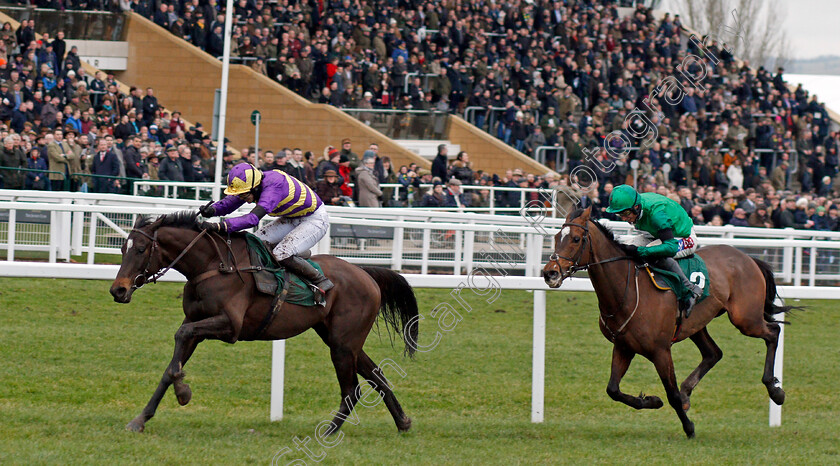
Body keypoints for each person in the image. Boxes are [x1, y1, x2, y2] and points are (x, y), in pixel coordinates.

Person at [198, 163, 333, 302]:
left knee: (281, 253)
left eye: (244, 194)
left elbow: (252, 219)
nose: (242, 198)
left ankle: (320, 280)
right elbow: (230, 203)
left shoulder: (273, 187)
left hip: (314, 220)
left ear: (255, 187)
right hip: (291, 218)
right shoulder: (252, 185)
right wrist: (213, 210)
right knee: (253, 242)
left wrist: (220, 226)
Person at [605, 184, 703, 317]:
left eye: (626, 213)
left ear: (636, 207)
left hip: (684, 237)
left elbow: (670, 247)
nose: (623, 218)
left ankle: (691, 290)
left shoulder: (656, 214)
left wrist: (641, 251)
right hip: (656, 234)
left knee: (653, 251)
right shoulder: (637, 206)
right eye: (619, 214)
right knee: (623, 246)